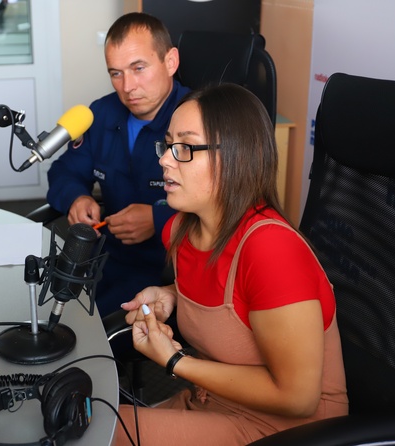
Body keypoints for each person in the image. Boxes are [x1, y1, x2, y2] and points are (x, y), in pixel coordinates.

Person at [114, 84, 348, 445]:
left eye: (185, 148)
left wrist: (175, 361)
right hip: (212, 402)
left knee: (103, 432)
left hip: (289, 430)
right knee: (87, 423)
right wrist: (172, 293)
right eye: (168, 144)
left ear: (237, 157)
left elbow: (298, 398)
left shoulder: (272, 250)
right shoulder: (181, 230)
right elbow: (230, 292)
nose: (164, 160)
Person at [46, 12, 190, 317]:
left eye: (138, 68)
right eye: (116, 73)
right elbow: (64, 171)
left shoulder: (197, 119)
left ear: (170, 62)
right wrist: (76, 198)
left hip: (175, 269)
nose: (127, 87)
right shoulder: (102, 113)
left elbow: (227, 204)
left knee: (86, 326)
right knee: (46, 307)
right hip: (107, 256)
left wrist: (158, 219)